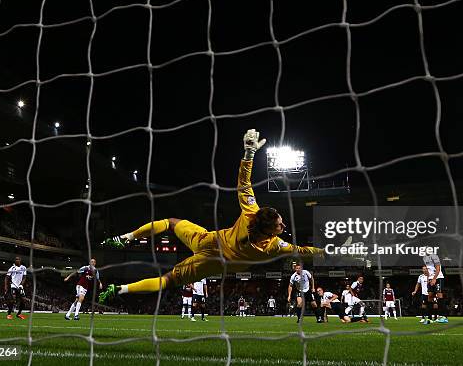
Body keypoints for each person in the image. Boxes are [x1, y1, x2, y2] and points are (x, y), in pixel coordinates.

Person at [99, 129, 323, 304]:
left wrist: (249, 154)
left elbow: (244, 184)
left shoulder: (251, 213)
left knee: (171, 223)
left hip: (208, 240)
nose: (283, 225)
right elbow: (304, 251)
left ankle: (126, 237)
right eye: (279, 224)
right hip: (211, 263)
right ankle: (119, 288)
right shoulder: (274, 246)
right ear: (268, 230)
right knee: (167, 279)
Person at [423, 254, 447, 323]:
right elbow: (428, 270)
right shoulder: (424, 258)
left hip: (438, 278)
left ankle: (444, 317)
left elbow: (438, 269)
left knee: (439, 296)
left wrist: (434, 279)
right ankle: (430, 319)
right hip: (431, 279)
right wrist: (428, 279)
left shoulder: (435, 257)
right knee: (430, 297)